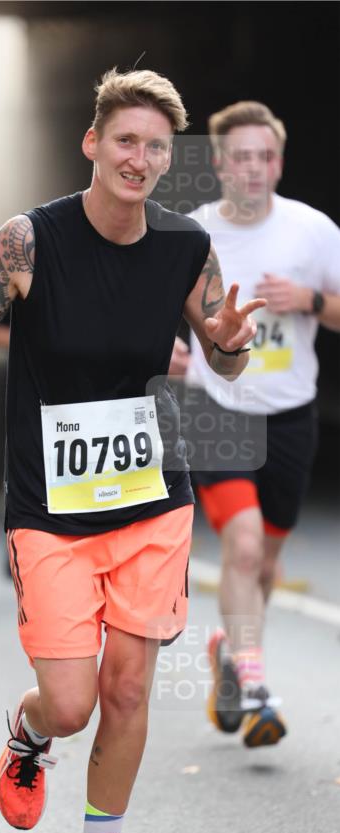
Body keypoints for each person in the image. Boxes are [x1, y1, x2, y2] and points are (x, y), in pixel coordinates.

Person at [0, 69, 262, 833]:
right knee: (72, 704)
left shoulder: (184, 249)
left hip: (150, 498)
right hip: (50, 511)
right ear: (91, 143)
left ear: (171, 160)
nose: (139, 158)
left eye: (155, 147)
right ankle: (26, 734)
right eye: (124, 141)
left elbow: (224, 357)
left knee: (127, 691)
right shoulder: (28, 242)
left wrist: (232, 348)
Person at [182, 102, 340, 748]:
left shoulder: (312, 232)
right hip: (215, 409)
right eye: (240, 156)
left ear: (278, 161)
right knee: (242, 548)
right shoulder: (189, 233)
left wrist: (309, 301)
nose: (253, 168)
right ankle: (253, 686)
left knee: (265, 560)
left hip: (289, 415)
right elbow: (144, 307)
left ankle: (229, 651)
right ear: (218, 163)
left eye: (265, 156)